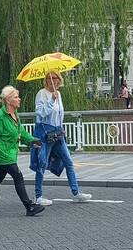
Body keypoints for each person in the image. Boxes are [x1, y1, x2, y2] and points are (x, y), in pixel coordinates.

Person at [0, 86, 43, 216]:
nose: (19, 99)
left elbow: (21, 132)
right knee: (18, 176)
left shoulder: (15, 115)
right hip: (3, 152)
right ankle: (29, 206)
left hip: (10, 152)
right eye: (16, 97)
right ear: (8, 100)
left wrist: (32, 141)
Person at [32, 72, 91, 206]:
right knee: (42, 163)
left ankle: (76, 193)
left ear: (59, 80)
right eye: (49, 78)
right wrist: (51, 101)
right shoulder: (42, 94)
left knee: (68, 161)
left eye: (55, 78)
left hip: (57, 133)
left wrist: (61, 127)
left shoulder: (58, 94)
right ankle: (38, 196)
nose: (52, 80)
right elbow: (40, 113)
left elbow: (59, 114)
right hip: (46, 133)